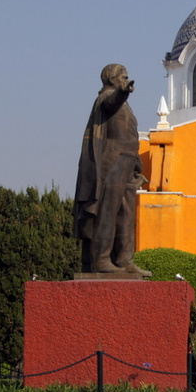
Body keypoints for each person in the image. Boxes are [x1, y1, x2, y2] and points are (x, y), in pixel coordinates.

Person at [73, 64, 151, 276]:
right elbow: (111, 102)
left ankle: (125, 260)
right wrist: (122, 92)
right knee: (107, 211)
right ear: (111, 78)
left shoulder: (126, 107)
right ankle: (101, 260)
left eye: (127, 78)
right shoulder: (107, 98)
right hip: (112, 161)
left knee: (126, 214)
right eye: (122, 77)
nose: (126, 80)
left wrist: (136, 168)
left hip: (127, 163)